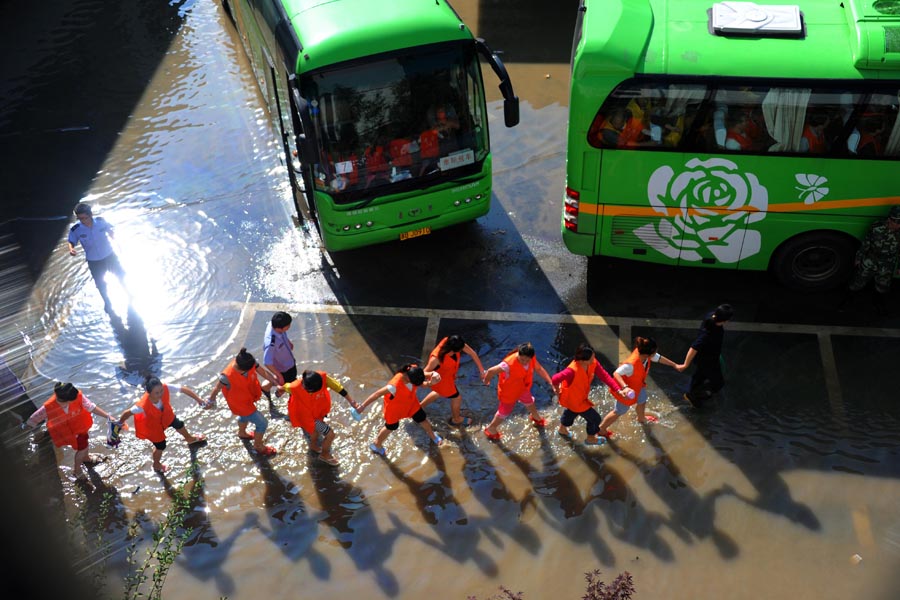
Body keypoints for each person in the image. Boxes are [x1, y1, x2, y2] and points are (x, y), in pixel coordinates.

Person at [23, 382, 114, 481]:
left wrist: (108, 416)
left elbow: (91, 407)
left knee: (84, 444)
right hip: (67, 432)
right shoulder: (48, 407)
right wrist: (27, 427)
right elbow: (34, 418)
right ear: (65, 400)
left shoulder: (77, 396)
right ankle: (77, 470)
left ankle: (86, 458)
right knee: (82, 448)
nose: (75, 400)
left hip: (80, 428)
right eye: (72, 400)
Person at [116, 376, 207, 474]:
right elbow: (127, 413)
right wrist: (120, 423)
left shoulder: (165, 387)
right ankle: (156, 464)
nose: (160, 394)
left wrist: (199, 400)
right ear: (149, 392)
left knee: (179, 424)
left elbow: (183, 389)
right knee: (161, 446)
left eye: (161, 391)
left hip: (167, 416)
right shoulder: (142, 406)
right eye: (157, 393)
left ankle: (190, 439)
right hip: (154, 427)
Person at [597, 337, 680, 435]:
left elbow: (659, 358)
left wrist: (674, 365)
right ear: (648, 354)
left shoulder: (645, 355)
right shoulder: (631, 365)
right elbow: (616, 373)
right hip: (626, 392)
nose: (656, 353)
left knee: (642, 400)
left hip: (638, 386)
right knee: (619, 411)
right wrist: (625, 387)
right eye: (655, 352)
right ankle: (601, 429)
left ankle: (641, 418)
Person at [207, 348, 281, 456]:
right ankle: (258, 446)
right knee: (262, 423)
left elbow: (263, 372)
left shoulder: (248, 361)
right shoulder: (226, 376)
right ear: (243, 370)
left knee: (243, 416)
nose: (254, 367)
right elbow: (217, 388)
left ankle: (242, 433)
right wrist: (211, 400)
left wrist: (274, 382)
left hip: (248, 396)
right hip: (239, 403)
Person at [357, 363, 444, 456]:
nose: (419, 385)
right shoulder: (393, 386)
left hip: (411, 403)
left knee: (422, 418)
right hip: (395, 409)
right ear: (408, 378)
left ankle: (433, 436)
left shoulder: (412, 370)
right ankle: (376, 444)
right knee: (391, 427)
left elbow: (423, 376)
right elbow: (377, 394)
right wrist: (362, 406)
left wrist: (432, 375)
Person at [280, 369, 359, 467]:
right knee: (330, 435)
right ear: (304, 386)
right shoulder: (294, 387)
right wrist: (279, 391)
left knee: (314, 431)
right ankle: (324, 455)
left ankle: (313, 445)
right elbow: (284, 387)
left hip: (318, 412)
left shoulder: (323, 378)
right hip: (307, 417)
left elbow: (338, 387)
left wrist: (351, 401)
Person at [551, 343, 626, 445]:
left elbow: (605, 376)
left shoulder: (592, 362)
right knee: (595, 419)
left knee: (570, 413)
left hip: (577, 398)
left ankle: (562, 430)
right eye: (591, 359)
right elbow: (555, 378)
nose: (593, 360)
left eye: (593, 356)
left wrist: (618, 389)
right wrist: (556, 390)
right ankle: (591, 439)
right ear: (581, 360)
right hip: (576, 401)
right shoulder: (571, 371)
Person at [481, 342, 554, 441]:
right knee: (504, 411)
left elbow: (539, 369)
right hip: (509, 392)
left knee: (529, 401)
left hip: (523, 388)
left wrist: (550, 382)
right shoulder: (507, 364)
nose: (524, 362)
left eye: (527, 360)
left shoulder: (531, 358)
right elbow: (491, 371)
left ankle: (536, 418)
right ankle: (491, 428)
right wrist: (486, 380)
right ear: (518, 354)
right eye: (522, 359)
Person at [66, 202, 127, 316]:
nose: (83, 221)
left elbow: (110, 230)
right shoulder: (76, 229)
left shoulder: (101, 222)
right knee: (100, 283)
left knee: (121, 275)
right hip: (94, 261)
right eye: (80, 219)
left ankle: (128, 293)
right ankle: (107, 302)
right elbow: (71, 241)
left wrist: (118, 243)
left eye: (85, 218)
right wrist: (71, 249)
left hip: (109, 255)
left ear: (91, 215)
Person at [420, 334, 485, 428]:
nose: (463, 350)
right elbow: (423, 373)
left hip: (448, 378)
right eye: (461, 350)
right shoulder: (436, 359)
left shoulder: (453, 342)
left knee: (437, 392)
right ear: (454, 350)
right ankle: (456, 419)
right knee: (457, 398)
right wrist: (431, 375)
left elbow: (472, 353)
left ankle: (419, 407)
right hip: (442, 382)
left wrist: (481, 370)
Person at [846, 206, 900, 314]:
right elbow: (866, 243)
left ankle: (879, 304)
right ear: (890, 219)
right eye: (897, 222)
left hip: (887, 262)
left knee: (883, 285)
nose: (899, 225)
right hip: (871, 259)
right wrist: (859, 257)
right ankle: (848, 301)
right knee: (858, 281)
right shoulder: (876, 227)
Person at [677, 304, 734, 406]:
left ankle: (692, 393)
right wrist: (685, 364)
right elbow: (694, 347)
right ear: (725, 320)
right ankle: (695, 396)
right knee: (718, 383)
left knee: (699, 377)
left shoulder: (710, 316)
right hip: (709, 361)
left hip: (703, 358)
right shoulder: (709, 333)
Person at [261, 311, 297, 398]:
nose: (289, 327)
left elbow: (283, 334)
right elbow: (267, 362)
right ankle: (280, 394)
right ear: (279, 328)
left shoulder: (274, 325)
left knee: (288, 381)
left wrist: (288, 342)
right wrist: (279, 375)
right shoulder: (271, 342)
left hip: (289, 361)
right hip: (284, 368)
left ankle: (265, 388)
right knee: (290, 385)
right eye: (287, 326)